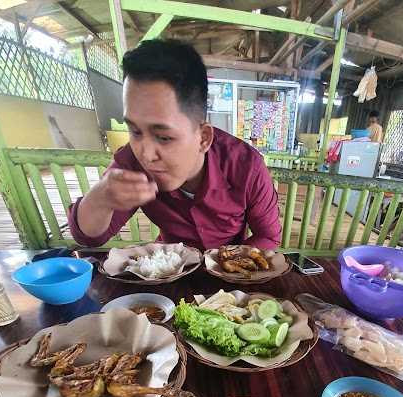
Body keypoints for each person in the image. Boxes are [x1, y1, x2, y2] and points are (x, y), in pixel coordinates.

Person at [68, 39, 281, 250]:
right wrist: (101, 197)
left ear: (204, 138)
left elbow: (268, 237)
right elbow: (89, 237)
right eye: (135, 131)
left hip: (229, 276)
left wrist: (225, 263)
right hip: (169, 273)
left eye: (164, 137)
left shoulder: (246, 166)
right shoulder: (132, 162)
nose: (146, 155)